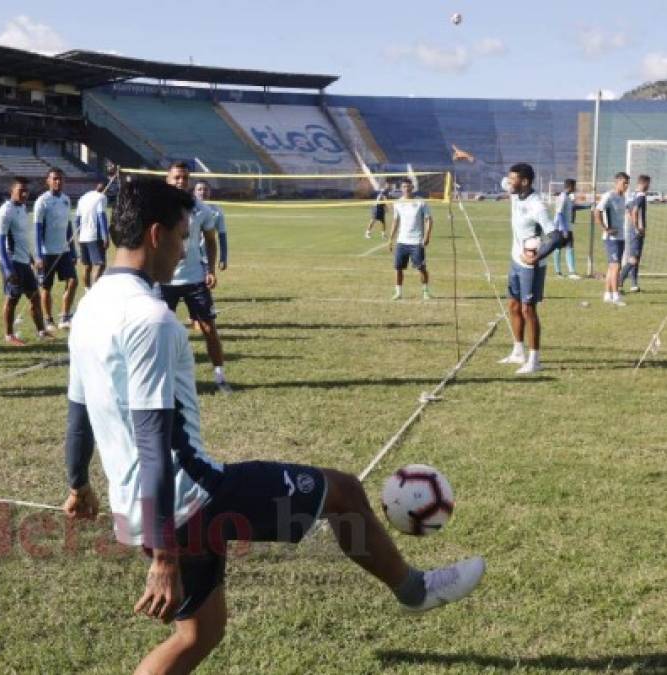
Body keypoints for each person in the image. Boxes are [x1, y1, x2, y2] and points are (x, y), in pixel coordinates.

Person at [63, 179, 486, 674]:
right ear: (155, 234)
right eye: (182, 236)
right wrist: (164, 555)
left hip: (139, 508)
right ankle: (416, 591)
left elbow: (78, 408)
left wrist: (78, 484)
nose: (186, 249)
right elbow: (155, 441)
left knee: (199, 634)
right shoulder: (150, 318)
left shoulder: (89, 306)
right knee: (344, 492)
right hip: (190, 499)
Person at [161, 162, 231, 394]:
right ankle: (162, 378)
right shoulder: (156, 208)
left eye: (184, 178)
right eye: (176, 178)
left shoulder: (201, 209)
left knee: (209, 328)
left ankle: (220, 376)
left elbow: (210, 240)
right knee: (159, 331)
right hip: (164, 280)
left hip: (194, 278)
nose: (181, 182)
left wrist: (210, 269)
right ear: (168, 180)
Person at [498, 163, 561, 375]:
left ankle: (534, 360)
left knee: (528, 309)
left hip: (530, 266)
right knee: (514, 306)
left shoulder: (537, 206)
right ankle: (518, 352)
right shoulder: (515, 192)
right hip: (515, 260)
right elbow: (493, 174)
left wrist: (536, 258)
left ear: (524, 182)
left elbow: (556, 237)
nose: (508, 182)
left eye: (512, 179)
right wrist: (468, 158)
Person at [0, 177, 54, 346]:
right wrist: (8, 270)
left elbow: (21, 239)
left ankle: (42, 331)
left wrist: (31, 259)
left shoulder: (22, 209)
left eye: (26, 190)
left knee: (35, 297)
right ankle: (9, 335)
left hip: (23, 262)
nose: (24, 193)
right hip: (12, 262)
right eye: (20, 190)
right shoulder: (5, 211)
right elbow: (0, 243)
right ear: (11, 191)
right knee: (12, 299)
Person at [33, 168, 77, 330]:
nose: (58, 182)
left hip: (64, 251)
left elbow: (69, 227)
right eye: (55, 179)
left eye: (60, 179)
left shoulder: (66, 199)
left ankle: (65, 317)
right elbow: (37, 230)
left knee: (73, 281)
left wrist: (73, 250)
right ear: (48, 181)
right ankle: (48, 320)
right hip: (47, 253)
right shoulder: (42, 201)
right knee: (46, 287)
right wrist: (38, 256)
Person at [388, 177, 432, 301]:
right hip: (402, 241)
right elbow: (395, 221)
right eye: (404, 187)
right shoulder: (398, 203)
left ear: (412, 187)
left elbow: (429, 219)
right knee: (398, 268)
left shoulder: (421, 202)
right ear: (401, 188)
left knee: (421, 268)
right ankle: (398, 292)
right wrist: (390, 239)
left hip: (416, 242)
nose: (406, 189)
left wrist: (427, 236)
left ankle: (425, 291)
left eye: (408, 186)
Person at [594, 172, 630, 306]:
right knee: (616, 266)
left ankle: (607, 295)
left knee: (612, 268)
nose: (626, 185)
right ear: (617, 182)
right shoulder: (609, 196)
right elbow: (597, 211)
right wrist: (606, 229)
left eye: (627, 183)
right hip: (611, 238)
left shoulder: (623, 197)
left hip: (621, 237)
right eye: (624, 183)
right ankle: (616, 296)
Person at [75, 181, 109, 288]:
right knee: (100, 264)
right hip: (94, 236)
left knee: (87, 266)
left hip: (83, 237)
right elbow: (101, 216)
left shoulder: (83, 198)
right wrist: (105, 236)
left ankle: (87, 290)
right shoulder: (101, 197)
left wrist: (78, 236)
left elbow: (77, 220)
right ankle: (94, 290)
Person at [619, 174, 649, 293]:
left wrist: (632, 223)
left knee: (635, 257)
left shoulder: (631, 195)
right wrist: (637, 226)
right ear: (645, 183)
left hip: (631, 229)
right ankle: (619, 280)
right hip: (636, 231)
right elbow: (635, 211)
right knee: (633, 259)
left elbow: (627, 210)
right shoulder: (641, 196)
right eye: (648, 184)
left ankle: (634, 284)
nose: (648, 186)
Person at [193, 181, 228, 271]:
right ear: (194, 192)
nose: (202, 192)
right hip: (190, 257)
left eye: (205, 189)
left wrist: (223, 257)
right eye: (199, 189)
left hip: (206, 257)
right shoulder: (189, 208)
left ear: (210, 192)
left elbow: (222, 235)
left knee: (206, 282)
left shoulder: (217, 211)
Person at [551, 179, 581, 279]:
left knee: (570, 248)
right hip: (560, 228)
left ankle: (572, 272)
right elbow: (559, 213)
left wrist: (588, 206)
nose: (575, 188)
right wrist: (563, 229)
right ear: (570, 186)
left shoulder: (568, 197)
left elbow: (574, 207)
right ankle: (558, 272)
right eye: (574, 186)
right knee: (558, 249)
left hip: (568, 227)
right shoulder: (562, 197)